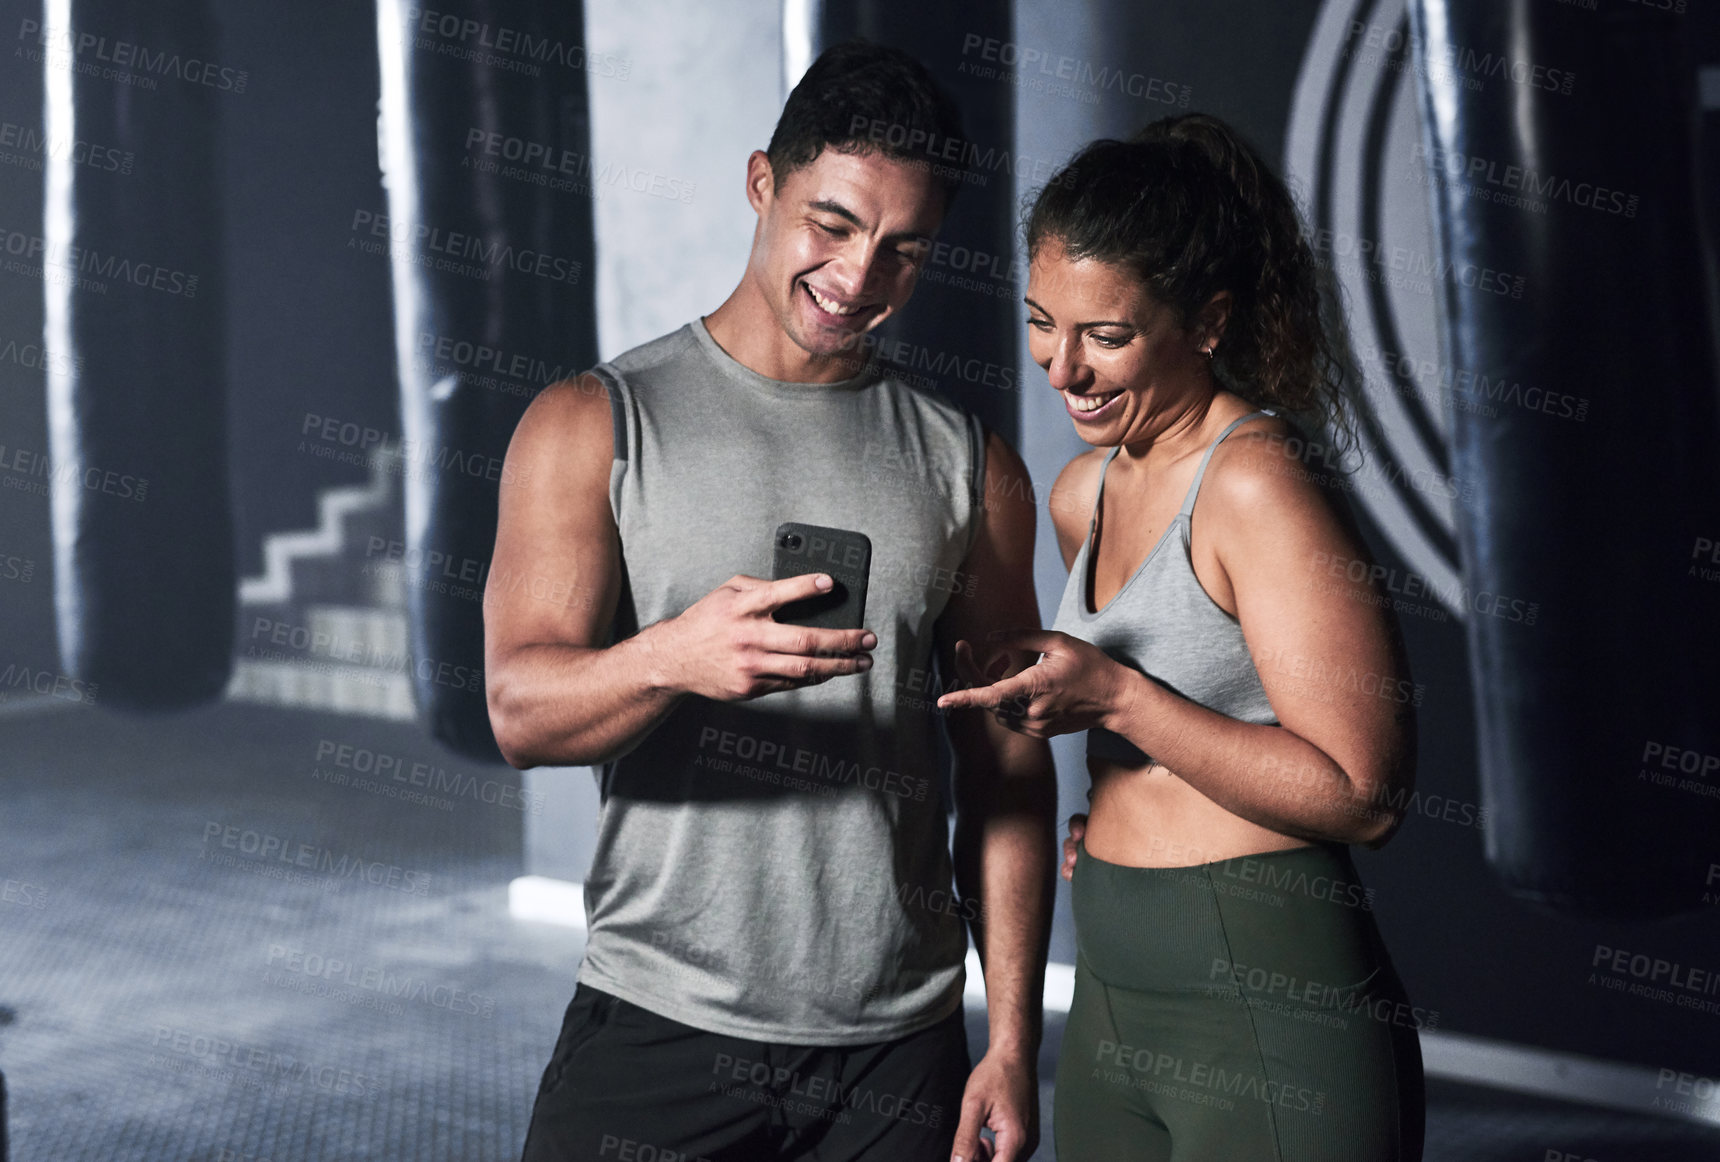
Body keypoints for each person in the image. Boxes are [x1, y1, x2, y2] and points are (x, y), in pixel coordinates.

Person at [484, 41, 1057, 1162]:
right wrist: (670, 657)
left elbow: (1005, 769)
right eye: (830, 226)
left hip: (898, 1049)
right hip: (659, 1023)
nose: (857, 278)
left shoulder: (968, 466)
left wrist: (1012, 1044)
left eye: (903, 249)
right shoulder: (593, 423)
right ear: (763, 184)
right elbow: (518, 712)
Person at [937, 114, 1426, 1160]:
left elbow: (1364, 791)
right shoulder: (1084, 490)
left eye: (1104, 336)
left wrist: (1116, 699)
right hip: (1112, 982)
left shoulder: (1255, 481)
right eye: (1039, 322)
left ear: (1205, 323)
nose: (1060, 368)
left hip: (1266, 991)